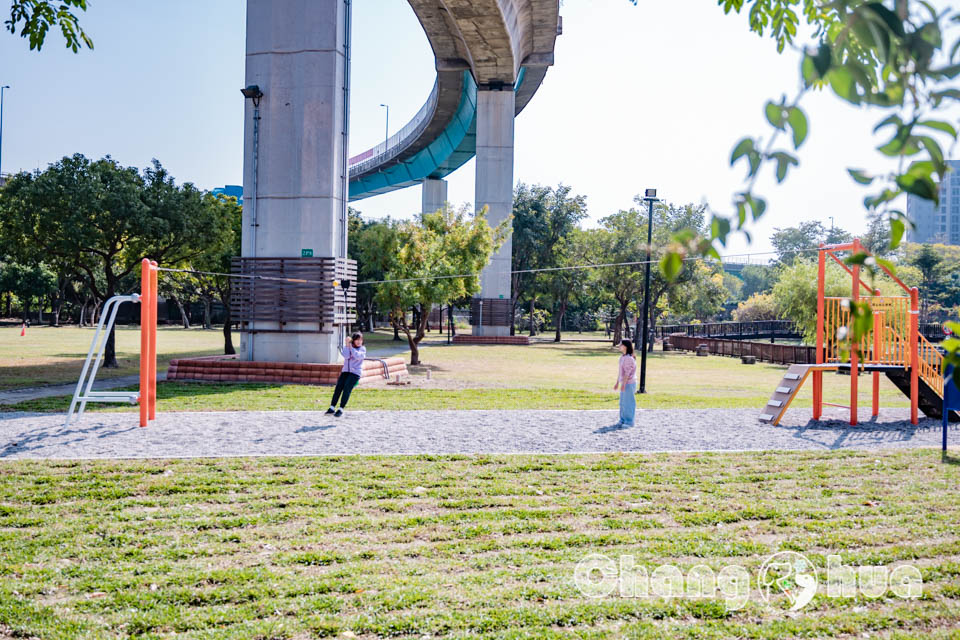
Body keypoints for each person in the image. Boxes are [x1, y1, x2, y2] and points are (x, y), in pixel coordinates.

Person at [327, 332, 366, 417]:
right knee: (338, 388)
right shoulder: (347, 347)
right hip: (345, 371)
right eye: (357, 340)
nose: (359, 341)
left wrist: (351, 346)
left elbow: (357, 356)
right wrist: (347, 345)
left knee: (346, 389)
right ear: (353, 340)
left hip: (355, 373)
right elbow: (347, 356)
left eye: (360, 340)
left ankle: (341, 409)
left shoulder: (363, 349)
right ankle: (332, 407)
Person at [613, 339, 637, 428]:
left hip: (629, 384)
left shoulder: (629, 358)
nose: (619, 346)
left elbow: (627, 373)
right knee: (622, 402)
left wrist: (623, 384)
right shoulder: (622, 357)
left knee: (628, 403)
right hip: (624, 383)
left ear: (625, 346)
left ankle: (629, 421)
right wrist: (617, 383)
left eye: (620, 345)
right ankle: (623, 419)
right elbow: (620, 372)